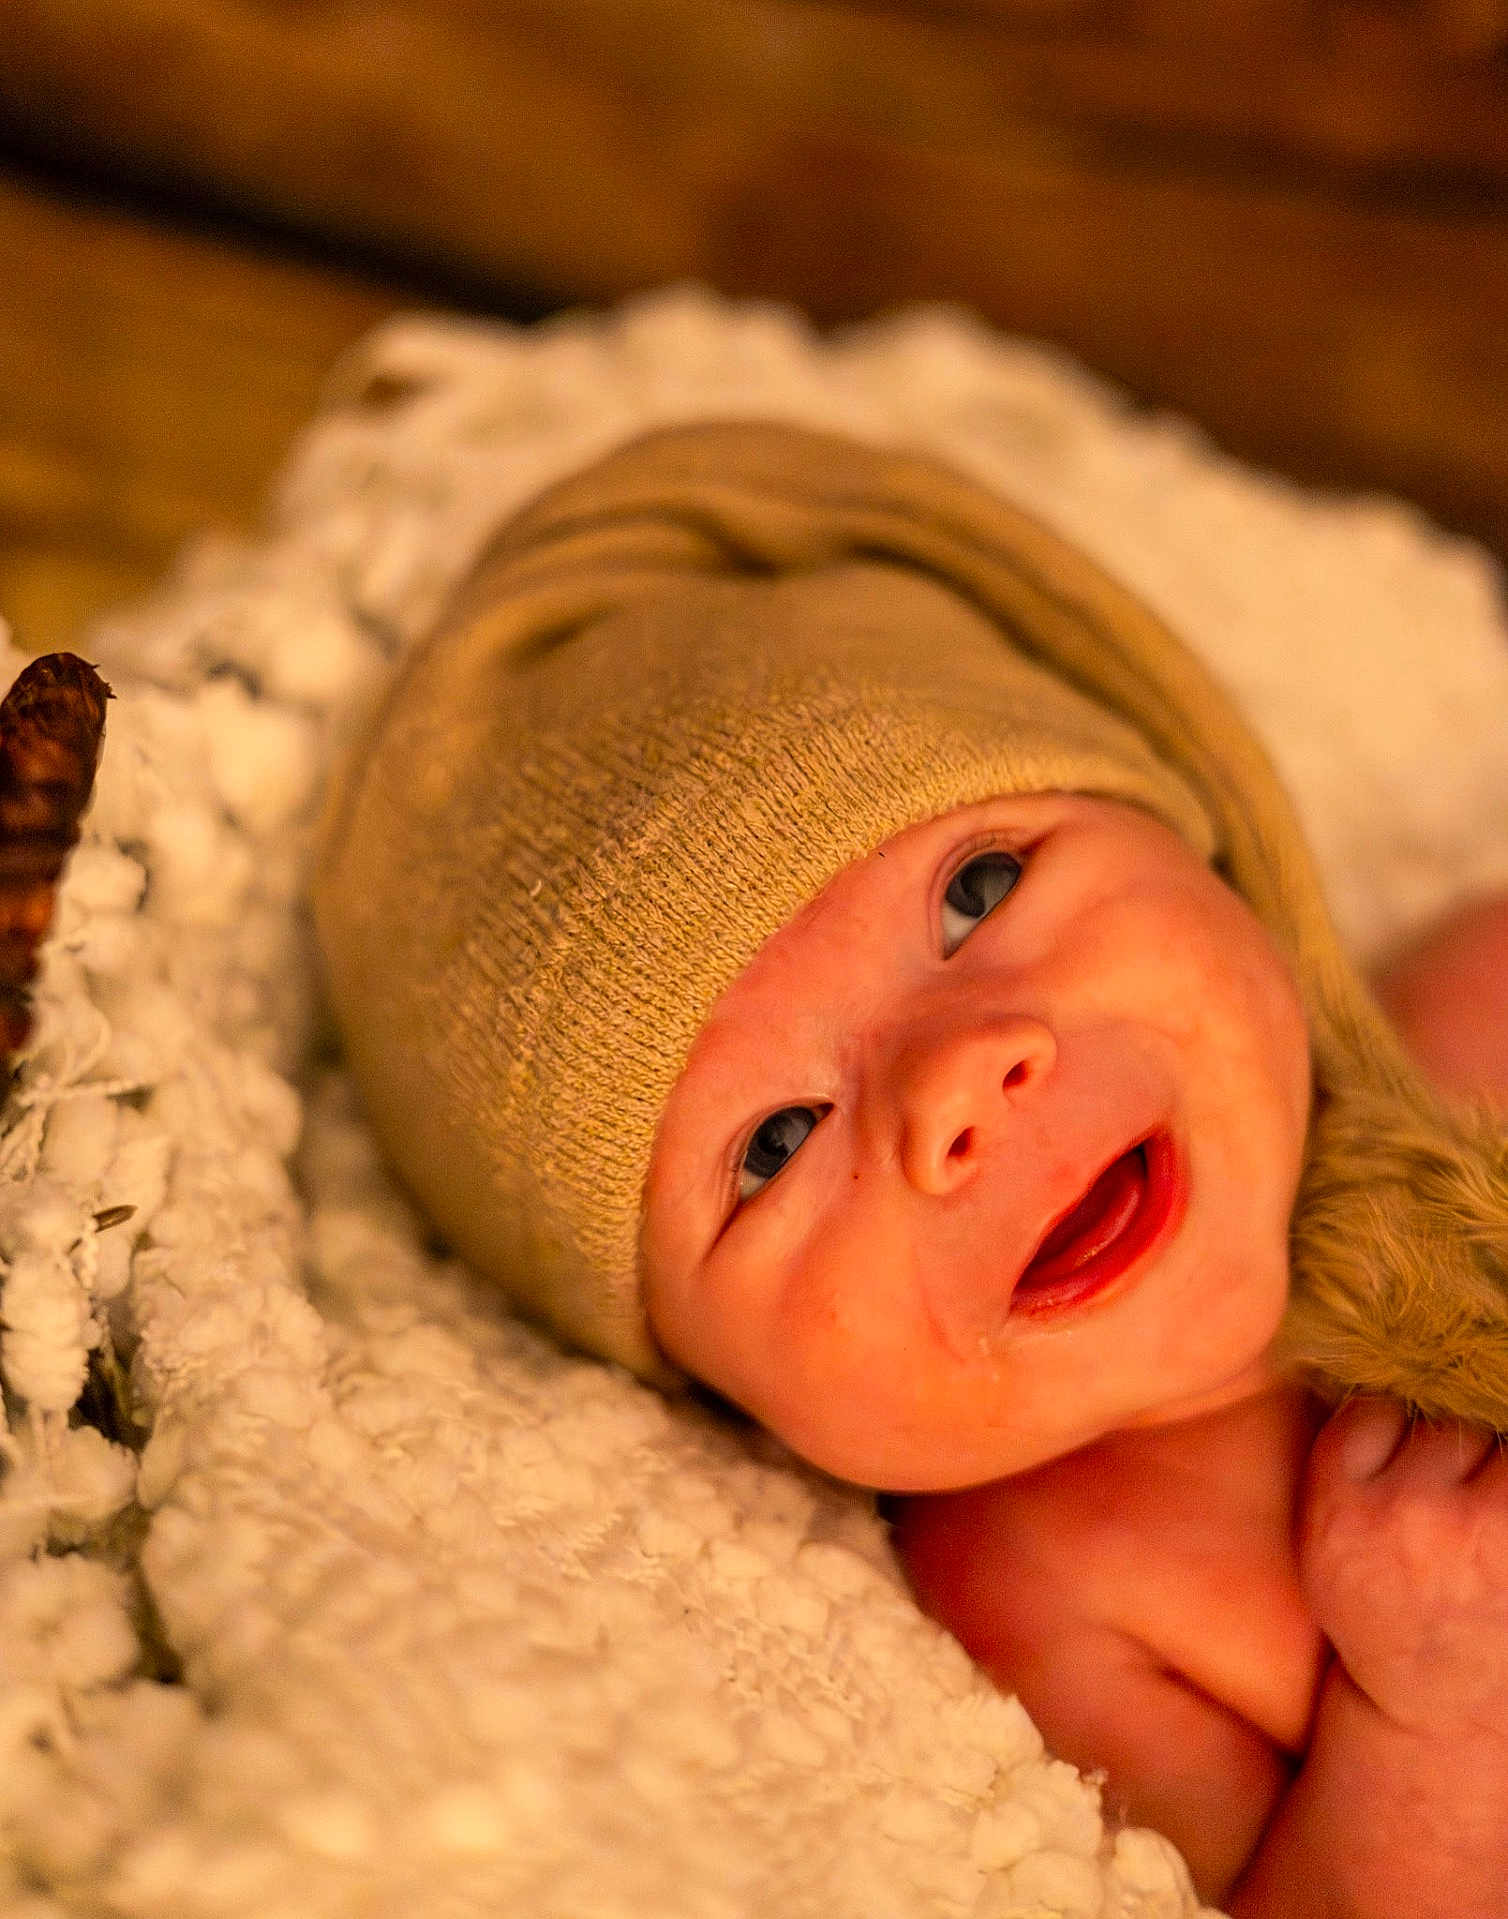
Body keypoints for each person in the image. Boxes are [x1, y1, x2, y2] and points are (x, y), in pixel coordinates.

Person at [313, 420, 1508, 1915]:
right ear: (707, 1390)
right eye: (774, 1142)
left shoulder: (1480, 1007)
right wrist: (1439, 1724)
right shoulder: (1057, 1585)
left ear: (1195, 829)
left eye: (981, 887)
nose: (955, 1079)